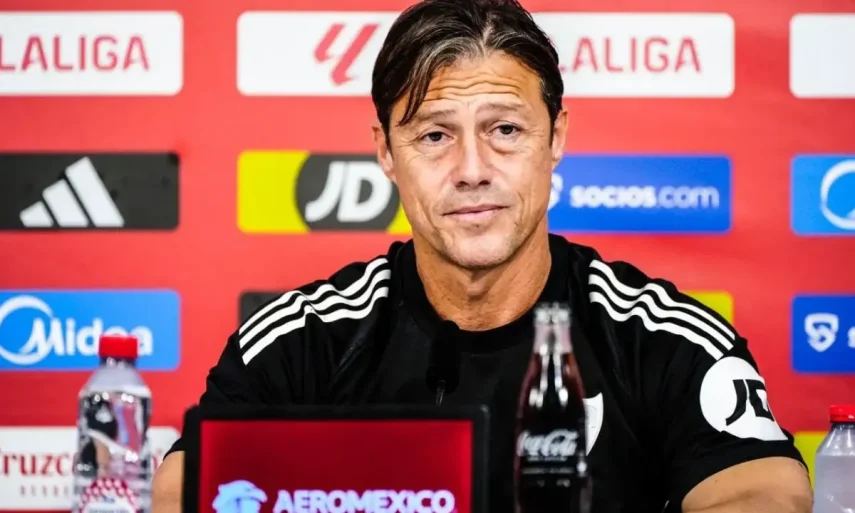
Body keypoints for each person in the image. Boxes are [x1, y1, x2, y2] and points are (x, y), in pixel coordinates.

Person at [152, 0, 813, 511]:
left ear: (555, 137)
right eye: (434, 136)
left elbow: (765, 491)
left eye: (505, 129)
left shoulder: (656, 335)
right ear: (385, 152)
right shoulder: (305, 339)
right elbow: (182, 489)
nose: (472, 169)